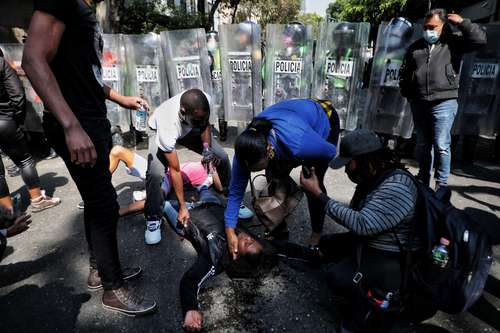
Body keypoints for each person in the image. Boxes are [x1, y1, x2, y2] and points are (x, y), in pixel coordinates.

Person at [23, 0, 157, 315]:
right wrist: (70, 126)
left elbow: (86, 75)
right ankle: (113, 288)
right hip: (78, 123)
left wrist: (121, 99)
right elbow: (33, 60)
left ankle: (100, 271)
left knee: (96, 201)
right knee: (105, 203)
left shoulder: (82, 9)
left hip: (89, 118)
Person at [299, 129, 422, 331]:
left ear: (364, 160)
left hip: (393, 255)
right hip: (374, 239)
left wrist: (319, 195)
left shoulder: (396, 186)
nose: (347, 170)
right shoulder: (374, 176)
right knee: (326, 243)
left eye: (349, 163)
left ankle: (372, 302)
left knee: (336, 278)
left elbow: (362, 224)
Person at [225, 98, 340, 259]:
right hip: (292, 124)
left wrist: (300, 162)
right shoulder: (246, 149)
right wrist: (229, 230)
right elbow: (236, 192)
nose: (250, 172)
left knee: (313, 182)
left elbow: (330, 151)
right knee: (272, 176)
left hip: (323, 121)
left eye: (256, 168)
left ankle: (317, 233)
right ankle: (278, 229)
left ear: (269, 150)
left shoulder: (299, 144)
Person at [399, 9, 487, 189]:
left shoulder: (453, 43)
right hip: (419, 101)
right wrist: (408, 93)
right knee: (423, 144)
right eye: (425, 27)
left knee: (441, 144)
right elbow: (405, 72)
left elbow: (479, 39)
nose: (428, 30)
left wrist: (463, 23)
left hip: (444, 101)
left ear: (443, 26)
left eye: (433, 27)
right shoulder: (415, 47)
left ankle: (441, 184)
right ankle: (423, 179)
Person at [167, 199, 270, 332]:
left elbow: (190, 281)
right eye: (253, 240)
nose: (248, 238)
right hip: (211, 201)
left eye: (247, 243)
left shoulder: (215, 256)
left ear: (236, 254)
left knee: (163, 203)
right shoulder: (242, 234)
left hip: (185, 215)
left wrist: (190, 309)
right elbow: (284, 248)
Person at [144, 89, 231, 245]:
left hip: (190, 128)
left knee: (222, 157)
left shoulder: (204, 102)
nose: (202, 120)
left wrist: (206, 150)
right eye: (198, 119)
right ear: (183, 111)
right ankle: (153, 218)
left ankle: (231, 197)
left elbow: (204, 125)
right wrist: (183, 206)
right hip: (159, 131)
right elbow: (175, 170)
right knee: (156, 173)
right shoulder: (168, 124)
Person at [0, 49, 61, 213]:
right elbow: (18, 95)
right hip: (5, 121)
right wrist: (17, 120)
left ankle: (7, 214)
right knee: (24, 160)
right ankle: (38, 199)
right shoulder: (2, 64)